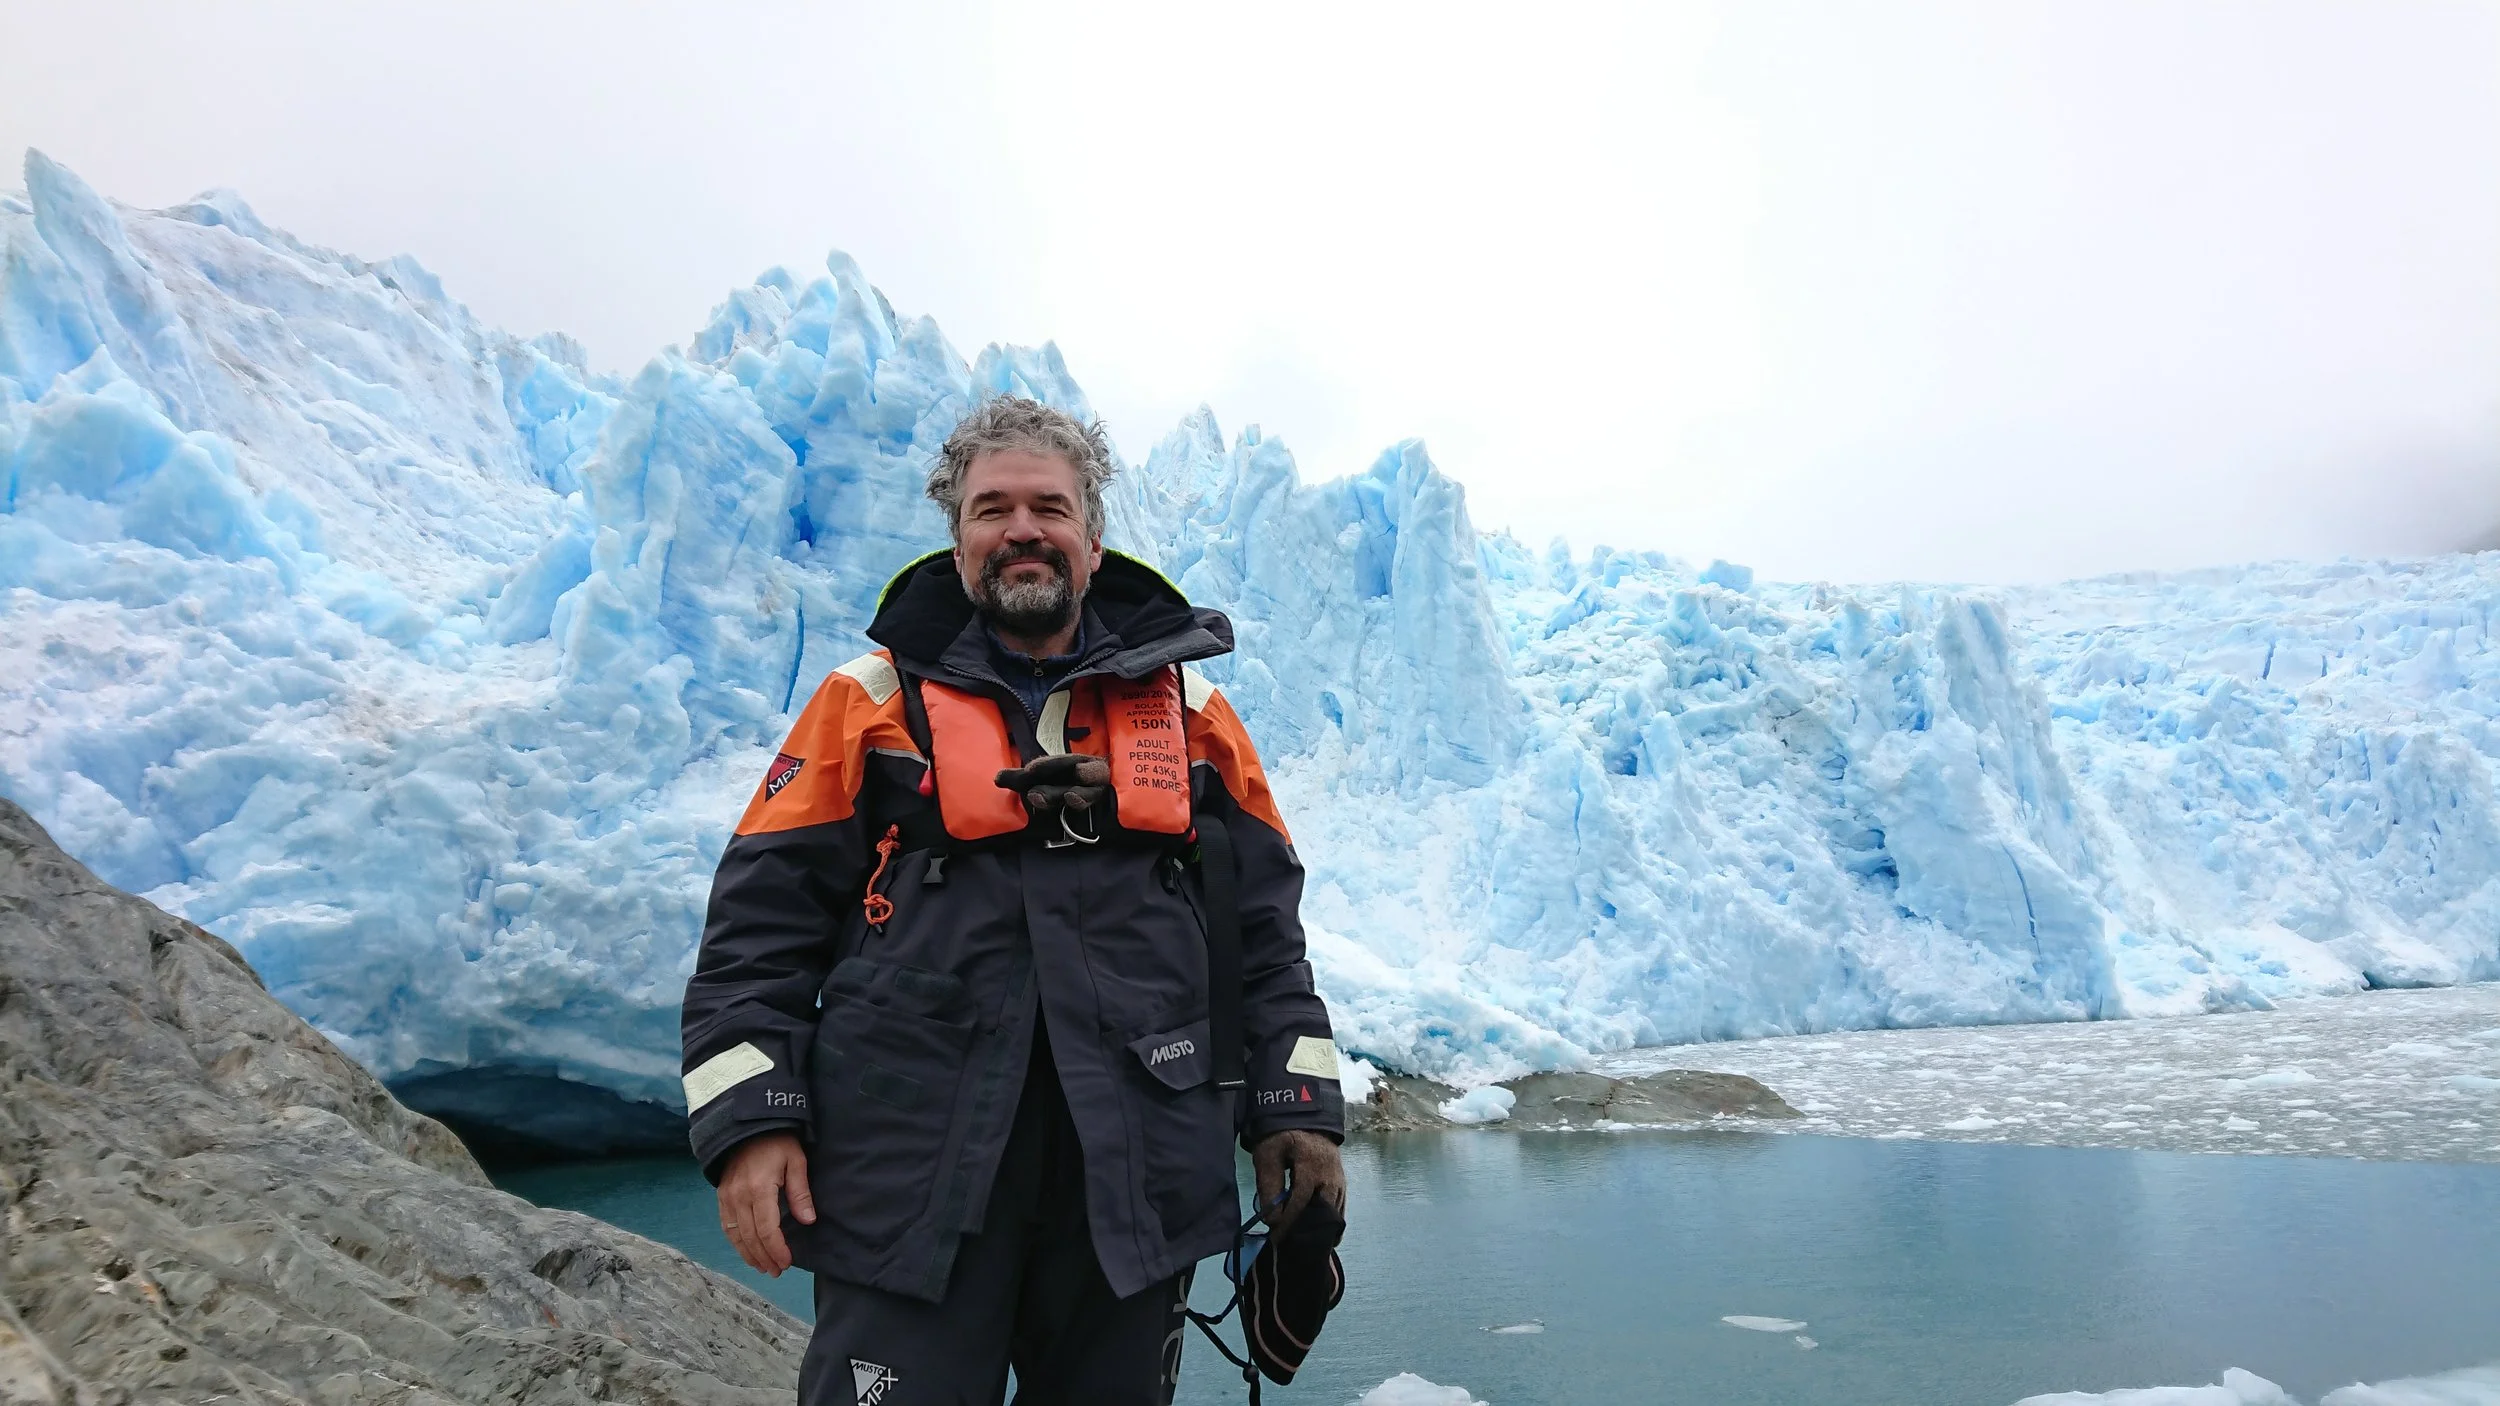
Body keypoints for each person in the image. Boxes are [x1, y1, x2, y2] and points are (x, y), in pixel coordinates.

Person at [679, 395, 1348, 1406]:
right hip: (907, 1173)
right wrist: (750, 1121)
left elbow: (1264, 944)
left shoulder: (1196, 717)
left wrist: (1295, 1110)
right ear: (957, 540)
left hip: (1132, 1179)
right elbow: (754, 937)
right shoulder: (866, 704)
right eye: (993, 508)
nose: (1022, 529)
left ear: (1091, 535)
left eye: (1049, 506)